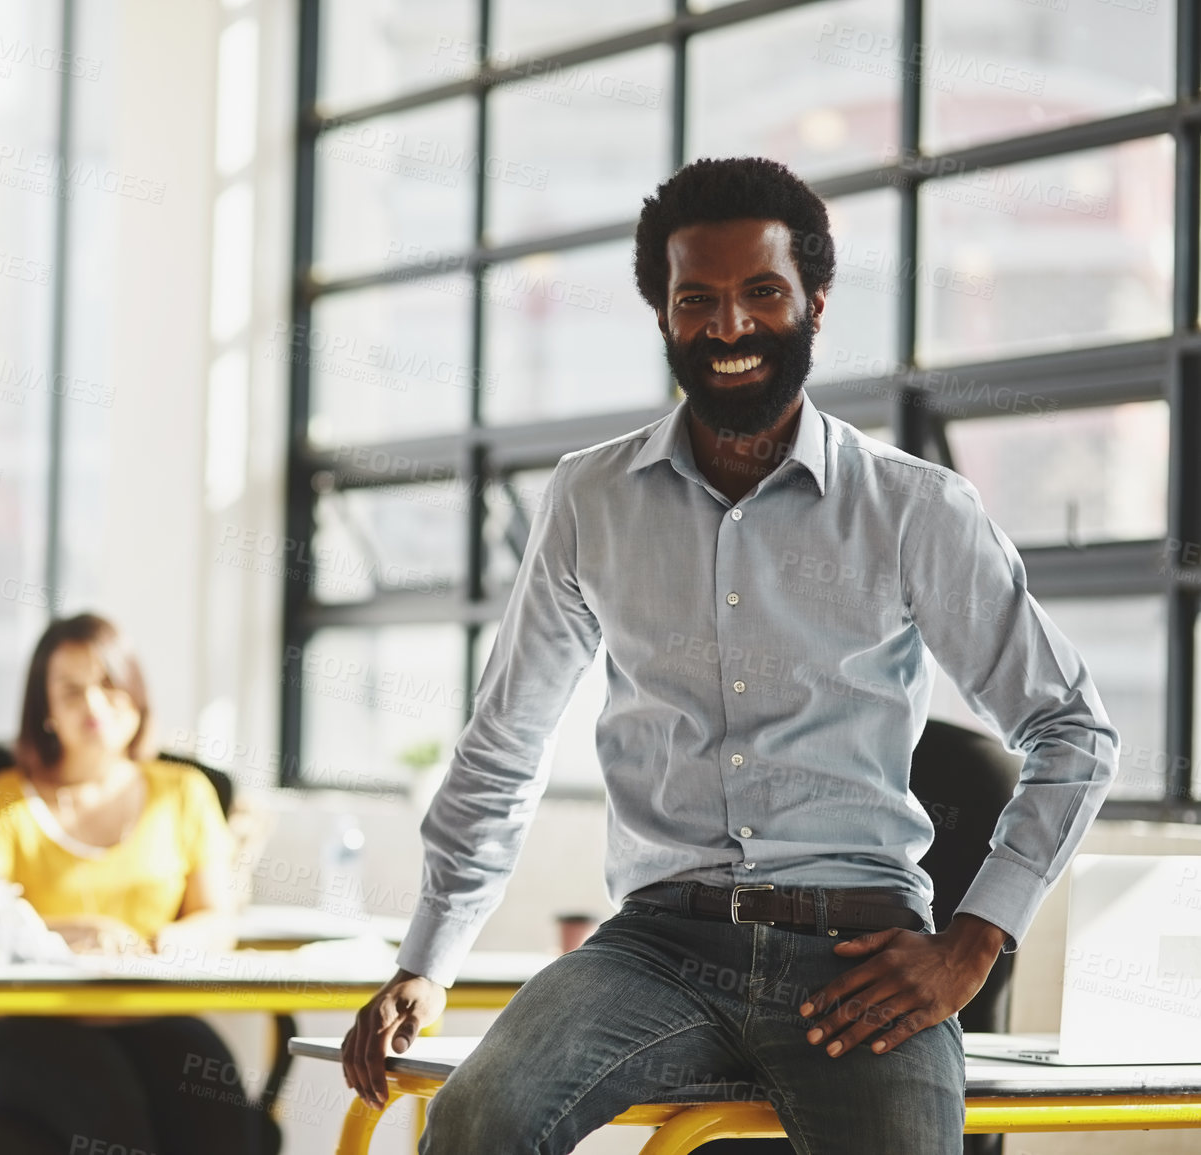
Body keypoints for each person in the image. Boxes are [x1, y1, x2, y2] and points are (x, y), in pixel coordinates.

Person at [339, 157, 1119, 1155]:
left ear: (815, 305)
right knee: (478, 1120)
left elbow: (1074, 731)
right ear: (662, 316)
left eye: (762, 293)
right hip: (656, 946)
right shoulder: (591, 501)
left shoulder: (914, 510)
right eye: (695, 300)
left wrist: (972, 944)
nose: (730, 326)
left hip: (859, 948)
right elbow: (505, 743)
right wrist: (428, 961)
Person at [0, 613, 277, 1155]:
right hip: (25, 1019)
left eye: (107, 684)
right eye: (70, 691)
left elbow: (218, 919)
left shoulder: (185, 792)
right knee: (103, 1102)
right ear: (45, 711)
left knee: (209, 1081)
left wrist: (171, 941)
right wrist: (72, 933)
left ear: (136, 694)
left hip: (145, 1007)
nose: (93, 705)